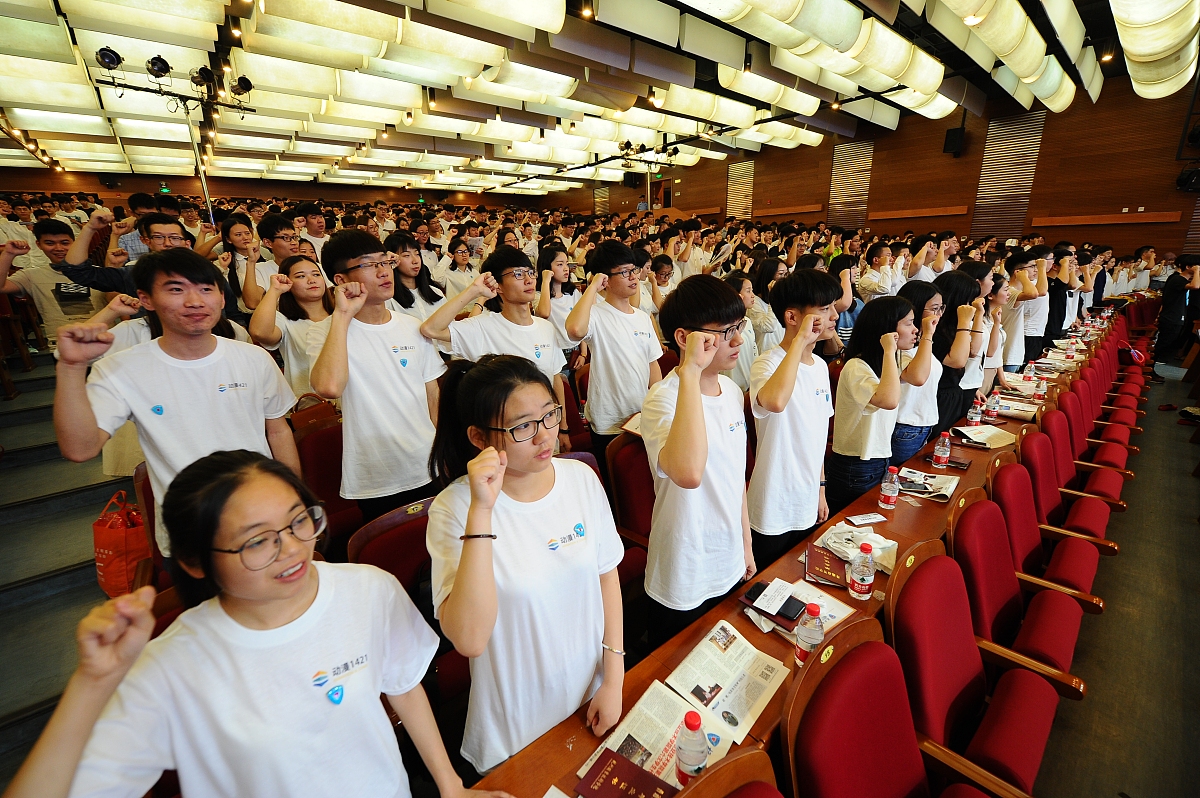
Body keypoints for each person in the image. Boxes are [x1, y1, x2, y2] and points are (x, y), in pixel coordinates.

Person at [4, 450, 510, 798]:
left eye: (297, 521)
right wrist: (92, 685)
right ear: (196, 561)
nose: (291, 548)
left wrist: (449, 785)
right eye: (255, 541)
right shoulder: (173, 662)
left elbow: (402, 685)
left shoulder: (366, 588)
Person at [426, 356, 624, 773]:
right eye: (522, 427)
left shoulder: (581, 478)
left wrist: (614, 676)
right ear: (479, 437)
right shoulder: (454, 509)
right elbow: (470, 639)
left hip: (591, 691)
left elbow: (607, 576)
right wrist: (482, 510)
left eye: (550, 415)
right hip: (518, 720)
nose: (543, 436)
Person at [53, 249, 298, 559]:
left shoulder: (252, 357)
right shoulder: (120, 368)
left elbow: (277, 431)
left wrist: (296, 497)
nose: (195, 301)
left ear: (222, 298)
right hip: (193, 529)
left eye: (206, 289)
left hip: (268, 514)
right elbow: (80, 449)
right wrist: (71, 367)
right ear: (146, 299)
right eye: (176, 289)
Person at [640, 275, 755, 646]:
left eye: (738, 327)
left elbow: (734, 479)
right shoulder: (663, 399)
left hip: (729, 555)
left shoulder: (733, 391)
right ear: (683, 338)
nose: (737, 340)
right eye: (724, 332)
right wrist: (690, 371)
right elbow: (688, 473)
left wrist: (746, 544)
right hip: (684, 567)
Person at [308, 230, 445, 527]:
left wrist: (442, 449)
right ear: (341, 279)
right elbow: (329, 387)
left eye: (385, 261)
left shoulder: (411, 326)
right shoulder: (326, 332)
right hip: (376, 473)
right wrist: (342, 316)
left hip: (427, 462)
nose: (384, 271)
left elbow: (432, 394)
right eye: (369, 265)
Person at [421, 247, 572, 453]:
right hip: (506, 439)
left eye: (530, 272)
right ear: (497, 285)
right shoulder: (482, 327)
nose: (528, 280)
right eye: (518, 274)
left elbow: (555, 379)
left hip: (545, 430)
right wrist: (474, 291)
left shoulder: (545, 327)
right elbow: (431, 328)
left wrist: (562, 427)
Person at [747, 270, 841, 567]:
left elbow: (816, 436)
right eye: (824, 309)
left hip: (808, 496)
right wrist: (800, 341)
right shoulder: (766, 363)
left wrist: (821, 489)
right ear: (792, 317)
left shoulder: (819, 367)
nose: (834, 316)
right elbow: (774, 401)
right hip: (773, 502)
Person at [564, 240, 663, 474]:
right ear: (605, 279)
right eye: (625, 272)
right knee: (615, 485)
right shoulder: (596, 315)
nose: (633, 277)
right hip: (609, 418)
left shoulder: (641, 317)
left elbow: (653, 365)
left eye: (634, 270)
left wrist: (657, 405)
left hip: (641, 414)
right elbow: (575, 330)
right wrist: (592, 287)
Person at [826, 296, 914, 515]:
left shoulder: (887, 363)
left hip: (877, 459)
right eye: (908, 323)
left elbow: (920, 375)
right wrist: (888, 351)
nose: (915, 330)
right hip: (856, 465)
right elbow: (889, 400)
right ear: (886, 330)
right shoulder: (857, 366)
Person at [0, 220, 103, 340]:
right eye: (50, 243)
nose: (58, 248)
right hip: (63, 344)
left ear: (74, 242)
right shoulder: (31, 275)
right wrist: (8, 254)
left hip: (104, 338)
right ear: (39, 245)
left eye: (65, 243)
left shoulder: (96, 272)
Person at [248, 255, 332, 397]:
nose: (311, 280)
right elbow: (259, 332)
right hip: (312, 408)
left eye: (316, 274)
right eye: (300, 276)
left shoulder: (342, 314)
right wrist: (274, 290)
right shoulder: (285, 320)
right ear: (288, 283)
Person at [890, 281, 941, 466]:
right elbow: (917, 378)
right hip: (905, 425)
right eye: (934, 308)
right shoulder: (901, 345)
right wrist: (927, 334)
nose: (939, 314)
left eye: (941, 308)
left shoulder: (919, 342)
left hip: (921, 423)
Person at [930, 271, 983, 433]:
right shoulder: (934, 328)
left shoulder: (954, 326)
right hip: (939, 395)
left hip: (954, 391)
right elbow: (957, 361)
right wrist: (965, 321)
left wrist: (978, 315)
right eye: (967, 300)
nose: (970, 305)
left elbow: (973, 350)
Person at [385, 230, 446, 325]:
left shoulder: (436, 293)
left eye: (417, 254)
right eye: (406, 255)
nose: (415, 260)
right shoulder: (388, 300)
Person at [534, 245, 580, 358]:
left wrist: (583, 354)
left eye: (566, 263)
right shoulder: (538, 295)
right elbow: (544, 313)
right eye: (560, 264)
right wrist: (546, 281)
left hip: (575, 350)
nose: (566, 268)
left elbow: (582, 323)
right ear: (547, 268)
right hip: (554, 351)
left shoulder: (573, 292)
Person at [720, 270, 761, 392]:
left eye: (752, 290)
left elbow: (753, 352)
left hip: (749, 383)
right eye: (748, 291)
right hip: (733, 384)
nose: (753, 295)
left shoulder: (747, 321)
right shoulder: (725, 325)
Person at [1156, 254, 1200, 363]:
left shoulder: (1182, 280)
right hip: (1171, 317)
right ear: (1188, 267)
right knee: (1163, 344)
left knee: (1168, 344)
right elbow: (1195, 286)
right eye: (1196, 266)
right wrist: (1196, 271)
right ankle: (1152, 367)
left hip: (1176, 316)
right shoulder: (1177, 279)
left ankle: (1153, 368)